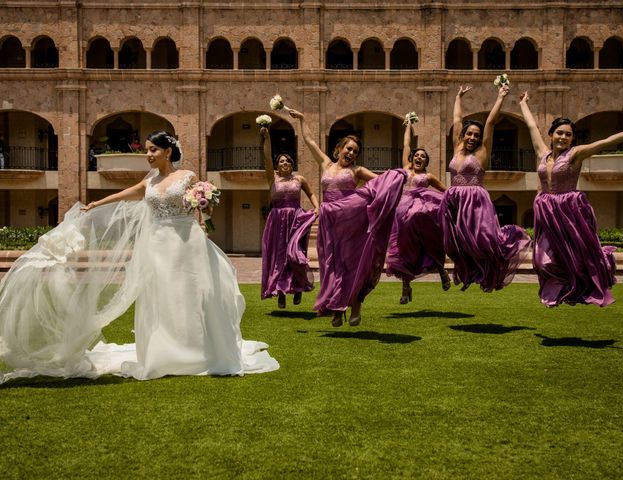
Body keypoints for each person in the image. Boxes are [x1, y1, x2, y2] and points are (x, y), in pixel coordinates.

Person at [0, 131, 278, 383]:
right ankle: (163, 350)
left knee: (191, 293)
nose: (148, 154)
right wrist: (98, 202)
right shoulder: (150, 181)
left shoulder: (188, 176)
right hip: (157, 243)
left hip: (186, 242)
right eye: (146, 149)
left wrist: (205, 213)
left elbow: (202, 205)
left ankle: (198, 348)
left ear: (168, 151)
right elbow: (129, 193)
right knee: (161, 295)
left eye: (152, 150)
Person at [519, 91, 623, 307]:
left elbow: (605, 142)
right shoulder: (542, 153)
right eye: (559, 133)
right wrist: (523, 104)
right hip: (546, 210)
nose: (563, 137)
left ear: (572, 138)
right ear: (551, 134)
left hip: (568, 210)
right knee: (541, 260)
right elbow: (531, 127)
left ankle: (577, 288)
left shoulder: (575, 154)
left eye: (568, 134)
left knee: (578, 255)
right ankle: (564, 289)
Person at [288, 109, 406, 327]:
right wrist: (303, 119)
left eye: (355, 151)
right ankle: (335, 307)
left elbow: (382, 182)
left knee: (351, 264)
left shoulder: (357, 170)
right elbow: (310, 141)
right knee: (331, 265)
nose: (351, 153)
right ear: (339, 149)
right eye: (348, 149)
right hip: (328, 222)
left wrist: (399, 175)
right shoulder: (325, 164)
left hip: (350, 221)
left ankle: (356, 304)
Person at [440, 85, 531, 291]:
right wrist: (457, 98)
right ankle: (469, 272)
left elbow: (490, 122)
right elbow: (457, 120)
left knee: (482, 241)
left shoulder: (482, 152)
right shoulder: (457, 147)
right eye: (469, 134)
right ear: (463, 135)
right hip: (454, 201)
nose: (472, 137)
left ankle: (489, 272)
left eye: (476, 135)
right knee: (456, 244)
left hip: (475, 200)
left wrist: (500, 97)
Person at [386, 121, 450, 304]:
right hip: (402, 217)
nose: (419, 158)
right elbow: (406, 145)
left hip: (422, 216)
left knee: (431, 243)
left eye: (423, 156)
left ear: (426, 162)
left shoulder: (427, 177)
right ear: (412, 159)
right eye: (417, 155)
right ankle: (406, 289)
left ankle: (441, 270)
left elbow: (445, 190)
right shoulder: (405, 171)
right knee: (404, 253)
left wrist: (458, 199)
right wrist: (407, 126)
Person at [259, 127, 319, 308]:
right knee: (280, 256)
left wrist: (316, 208)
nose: (285, 163)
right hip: (277, 222)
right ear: (277, 166)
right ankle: (281, 292)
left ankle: (299, 288)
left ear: (292, 164)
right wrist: (267, 137)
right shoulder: (273, 179)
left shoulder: (299, 179)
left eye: (288, 161)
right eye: (282, 161)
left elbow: (311, 194)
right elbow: (267, 158)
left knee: (296, 255)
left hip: (296, 221)